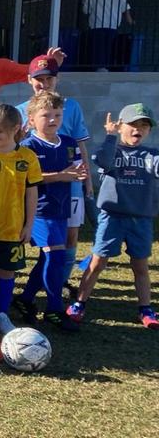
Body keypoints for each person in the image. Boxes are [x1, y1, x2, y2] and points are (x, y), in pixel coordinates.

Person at [68, 104, 158, 329]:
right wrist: (109, 136)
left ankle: (145, 308)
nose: (138, 129)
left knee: (140, 265)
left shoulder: (152, 155)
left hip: (141, 219)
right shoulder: (112, 150)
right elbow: (103, 160)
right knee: (98, 261)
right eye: (133, 125)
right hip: (112, 217)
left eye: (144, 126)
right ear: (120, 126)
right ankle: (80, 302)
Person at [16, 55, 93, 293]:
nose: (44, 83)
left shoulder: (71, 106)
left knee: (69, 238)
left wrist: (87, 180)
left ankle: (60, 281)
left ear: (56, 80)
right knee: (48, 243)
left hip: (70, 186)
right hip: (37, 191)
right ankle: (46, 291)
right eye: (39, 79)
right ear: (30, 80)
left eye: (49, 78)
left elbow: (80, 145)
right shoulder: (20, 110)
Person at [14, 92, 84, 332]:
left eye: (57, 115)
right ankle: (54, 309)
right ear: (31, 119)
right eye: (46, 115)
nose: (53, 119)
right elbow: (24, 178)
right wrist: (61, 176)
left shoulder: (68, 143)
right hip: (38, 210)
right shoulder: (27, 146)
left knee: (48, 256)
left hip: (61, 208)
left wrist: (79, 173)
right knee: (55, 256)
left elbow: (75, 168)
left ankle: (25, 298)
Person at [0, 104, 42, 334]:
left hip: (13, 227)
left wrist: (28, 225)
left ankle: (1, 315)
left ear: (15, 129)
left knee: (6, 272)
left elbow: (32, 193)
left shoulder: (27, 157)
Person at [81, 0, 133, 71]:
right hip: (112, 25)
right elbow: (126, 8)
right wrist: (130, 20)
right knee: (109, 48)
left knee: (97, 48)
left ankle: (100, 68)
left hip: (97, 25)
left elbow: (86, 10)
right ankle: (107, 68)